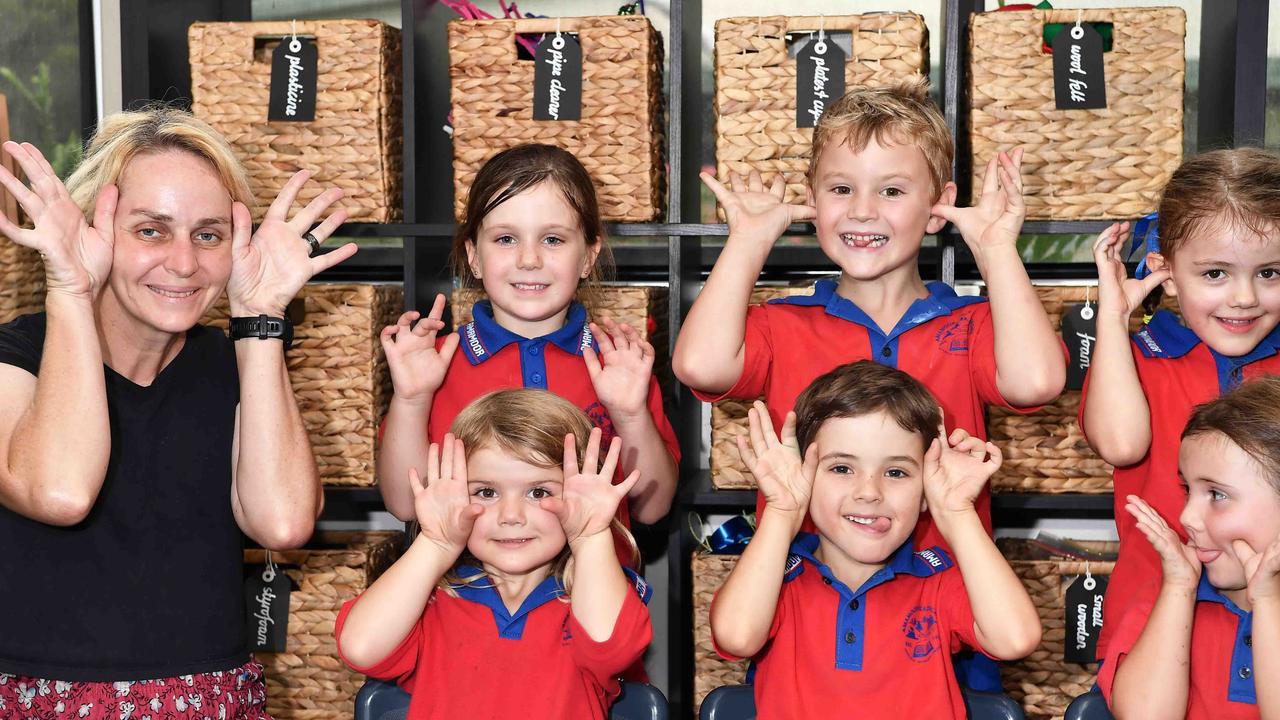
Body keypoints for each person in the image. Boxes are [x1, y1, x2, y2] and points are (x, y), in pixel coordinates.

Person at [0, 107, 354, 717]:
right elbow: (60, 491)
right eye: (151, 231)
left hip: (213, 701)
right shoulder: (15, 359)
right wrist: (70, 290)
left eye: (209, 235)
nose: (185, 263)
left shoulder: (233, 361)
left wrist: (261, 318)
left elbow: (283, 524)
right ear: (94, 229)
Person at [672, 78, 1065, 553]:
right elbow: (699, 366)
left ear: (938, 207)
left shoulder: (972, 324)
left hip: (944, 596)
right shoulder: (783, 324)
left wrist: (997, 250)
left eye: (892, 191)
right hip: (805, 592)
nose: (862, 211)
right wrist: (750, 240)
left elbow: (1037, 381)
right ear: (812, 200)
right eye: (841, 188)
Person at [377, 144, 679, 538]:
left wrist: (631, 415)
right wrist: (412, 400)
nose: (529, 259)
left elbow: (652, 508)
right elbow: (404, 503)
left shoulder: (619, 367)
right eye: (505, 239)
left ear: (589, 256)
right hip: (465, 593)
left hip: (592, 591)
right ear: (473, 256)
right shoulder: (430, 367)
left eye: (553, 240)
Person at [709, 361, 1041, 718]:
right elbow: (736, 636)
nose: (869, 492)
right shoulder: (780, 581)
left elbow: (1015, 639)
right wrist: (782, 510)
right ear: (805, 477)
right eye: (842, 468)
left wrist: (957, 513)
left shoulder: (937, 584)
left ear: (925, 490)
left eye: (896, 472)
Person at [336, 389, 653, 720]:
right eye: (486, 492)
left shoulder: (593, 596)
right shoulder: (431, 601)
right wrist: (436, 543)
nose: (510, 514)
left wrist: (590, 536)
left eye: (538, 491)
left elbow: (610, 648)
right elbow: (360, 648)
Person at [1081, 148, 1280, 663]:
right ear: (1165, 273)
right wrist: (1112, 319)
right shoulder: (1139, 359)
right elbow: (1121, 445)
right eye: (1215, 274)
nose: (1244, 298)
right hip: (1157, 615)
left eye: (1270, 273)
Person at [1103, 377, 1280, 719]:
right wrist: (1179, 588)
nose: (1186, 517)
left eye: (1216, 495)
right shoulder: (1168, 597)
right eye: (1188, 489)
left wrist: (1268, 602)